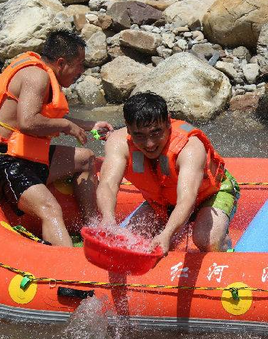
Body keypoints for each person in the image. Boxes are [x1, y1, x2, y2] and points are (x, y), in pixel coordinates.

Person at [0, 29, 113, 246]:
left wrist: (89, 125)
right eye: (79, 63)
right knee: (50, 209)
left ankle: (94, 229)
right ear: (61, 63)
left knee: (86, 158)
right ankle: (68, 269)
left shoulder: (43, 74)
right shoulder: (37, 76)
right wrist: (66, 125)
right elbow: (28, 122)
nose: (81, 70)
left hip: (22, 156)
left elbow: (48, 116)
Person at [97, 92, 239, 255]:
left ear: (168, 122)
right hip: (162, 202)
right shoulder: (117, 143)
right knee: (130, 242)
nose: (149, 144)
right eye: (139, 135)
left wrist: (167, 234)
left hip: (211, 194)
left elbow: (187, 198)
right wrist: (108, 219)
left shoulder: (190, 147)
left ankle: (225, 245)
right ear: (128, 128)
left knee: (206, 241)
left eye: (155, 132)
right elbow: (107, 184)